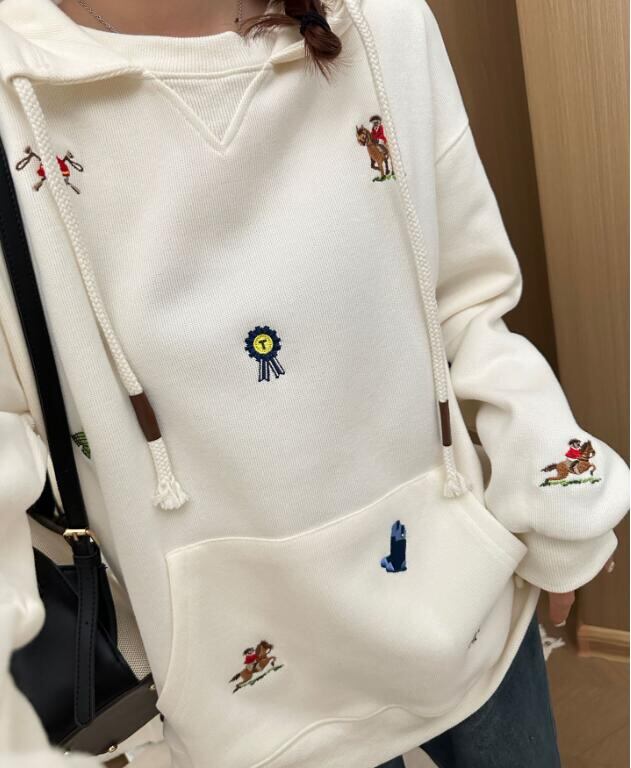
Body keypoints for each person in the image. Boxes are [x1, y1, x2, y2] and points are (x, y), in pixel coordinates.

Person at [0, 1, 627, 767]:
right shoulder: (15, 86)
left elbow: (466, 301)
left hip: (462, 601)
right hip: (240, 695)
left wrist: (561, 502)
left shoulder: (381, 22)